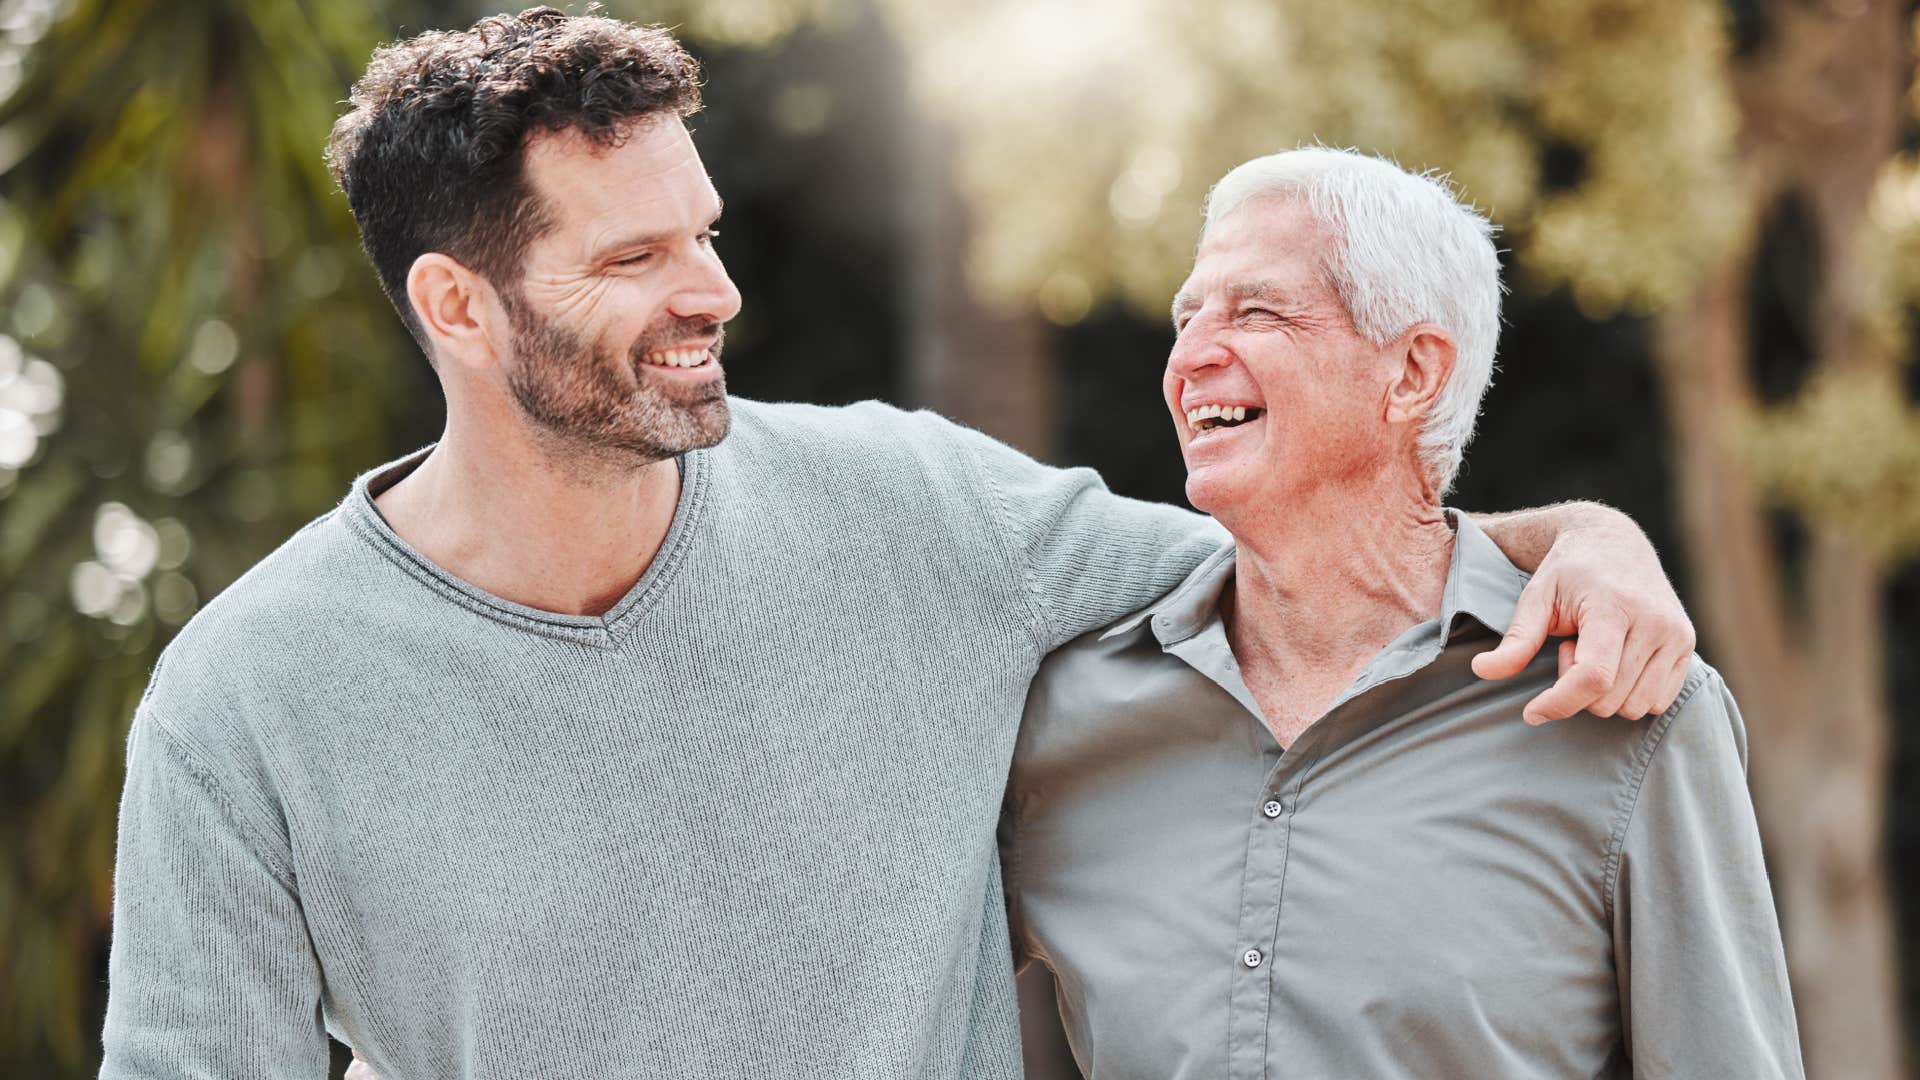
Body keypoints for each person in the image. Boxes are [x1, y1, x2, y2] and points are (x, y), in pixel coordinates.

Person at [100, 11, 1697, 1080]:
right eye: (637, 257)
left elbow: (1315, 568)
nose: (714, 292)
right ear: (459, 307)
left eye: (704, 232)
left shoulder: (923, 513)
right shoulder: (247, 704)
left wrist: (1583, 536)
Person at [1002, 147, 1802, 1079]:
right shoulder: (1064, 712)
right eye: (1188, 318)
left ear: (1414, 373)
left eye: (1257, 312)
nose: (1190, 358)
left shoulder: (1627, 706)